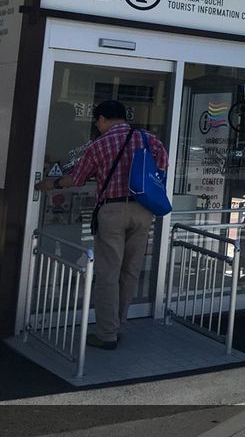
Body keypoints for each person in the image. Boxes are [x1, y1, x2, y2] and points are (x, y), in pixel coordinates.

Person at [34, 100, 168, 351]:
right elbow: (161, 170)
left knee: (109, 272)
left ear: (103, 119)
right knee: (130, 271)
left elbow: (77, 178)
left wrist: (50, 184)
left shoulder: (100, 144)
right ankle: (120, 325)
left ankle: (107, 334)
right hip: (144, 210)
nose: (97, 126)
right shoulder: (151, 140)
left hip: (113, 210)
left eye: (97, 121)